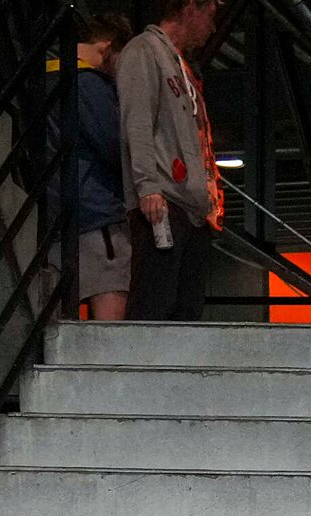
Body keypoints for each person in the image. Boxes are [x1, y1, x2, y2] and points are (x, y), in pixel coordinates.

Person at [116, 0, 225, 322]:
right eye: (210, 14)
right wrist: (148, 186)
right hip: (164, 200)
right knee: (155, 303)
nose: (213, 26)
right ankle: (141, 369)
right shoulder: (144, 51)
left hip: (192, 206)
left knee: (185, 309)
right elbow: (137, 121)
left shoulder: (180, 64)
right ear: (191, 7)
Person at [69, 9, 133, 321]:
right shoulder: (90, 85)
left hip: (59, 213)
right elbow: (113, 145)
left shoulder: (45, 79)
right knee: (109, 323)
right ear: (106, 48)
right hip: (98, 212)